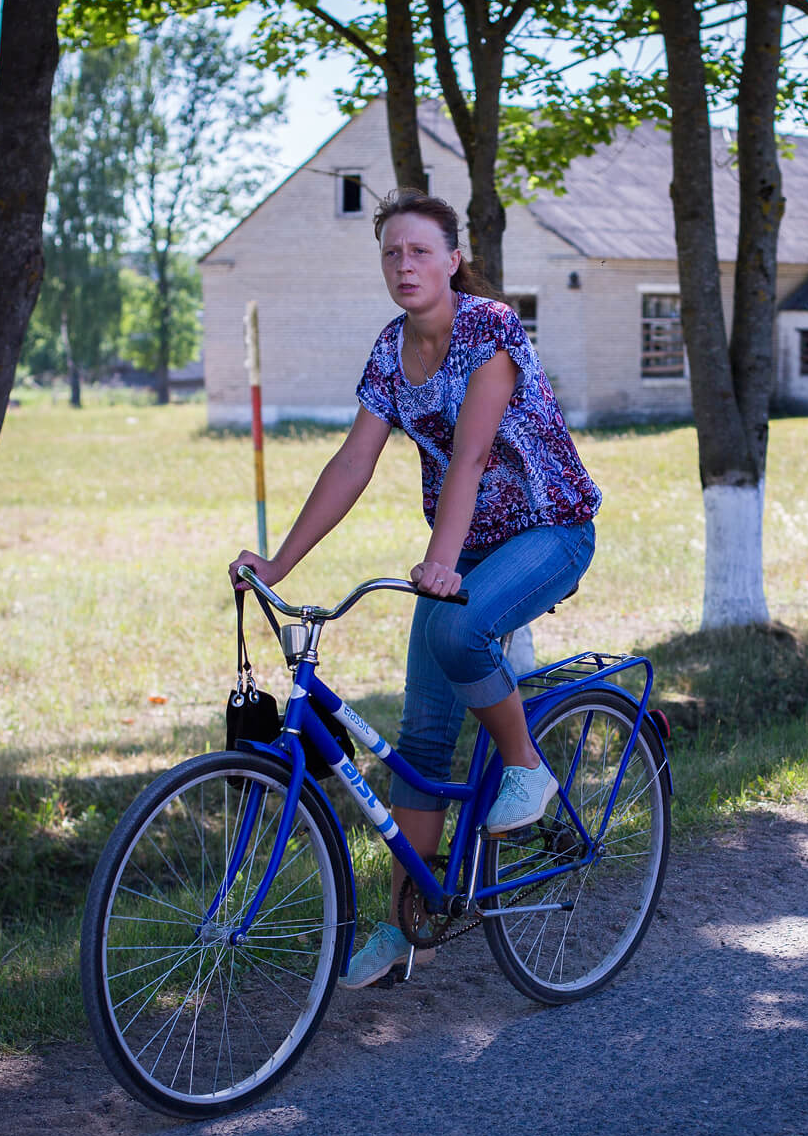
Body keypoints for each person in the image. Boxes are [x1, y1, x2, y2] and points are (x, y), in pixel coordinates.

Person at [228, 190, 602, 989]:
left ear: (453, 259)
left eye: (421, 250)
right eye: (392, 252)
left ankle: (527, 767)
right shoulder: (389, 351)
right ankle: (410, 926)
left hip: (550, 529)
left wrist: (441, 564)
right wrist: (281, 561)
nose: (405, 264)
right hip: (467, 546)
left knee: (455, 632)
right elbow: (353, 462)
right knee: (421, 739)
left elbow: (470, 456)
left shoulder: (489, 328)